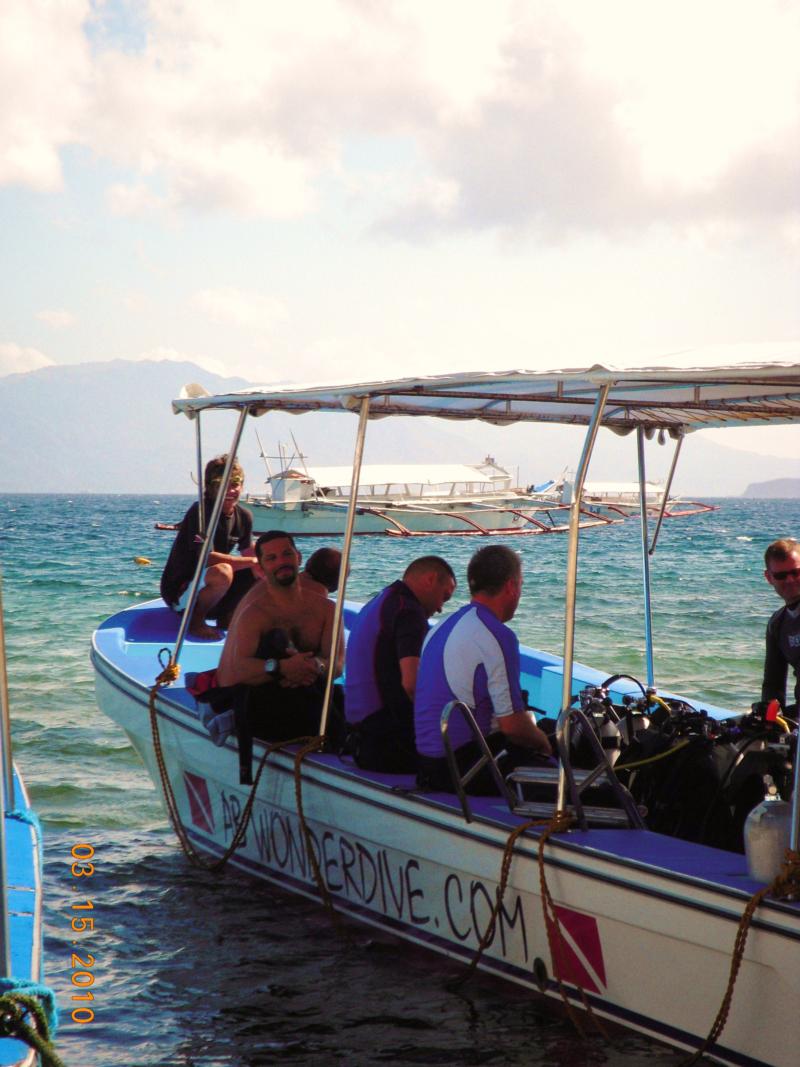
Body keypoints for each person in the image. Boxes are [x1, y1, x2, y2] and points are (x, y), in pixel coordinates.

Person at [414, 544, 552, 794]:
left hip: (427, 765)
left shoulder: (438, 629)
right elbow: (511, 726)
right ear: (511, 586)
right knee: (582, 785)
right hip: (465, 771)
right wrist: (544, 743)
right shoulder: (496, 635)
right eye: (521, 585)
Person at [217, 530, 344, 749]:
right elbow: (237, 670)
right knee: (277, 642)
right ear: (261, 567)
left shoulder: (327, 610)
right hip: (264, 704)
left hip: (310, 694)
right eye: (271, 558)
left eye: (287, 554)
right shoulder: (255, 613)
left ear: (299, 558)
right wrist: (282, 667)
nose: (281, 562)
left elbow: (337, 665)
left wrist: (314, 665)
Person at [344, 556, 457, 773]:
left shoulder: (381, 600)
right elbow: (412, 684)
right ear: (430, 579)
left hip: (360, 735)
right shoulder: (409, 611)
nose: (441, 608)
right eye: (444, 597)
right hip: (386, 741)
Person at [160, 455, 258, 639]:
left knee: (262, 567)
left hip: (211, 589)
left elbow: (248, 553)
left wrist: (268, 560)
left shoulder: (244, 516)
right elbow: (207, 558)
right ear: (211, 487)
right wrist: (252, 560)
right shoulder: (200, 513)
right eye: (222, 485)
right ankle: (195, 622)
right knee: (223, 571)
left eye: (235, 483)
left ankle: (227, 616)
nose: (230, 490)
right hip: (181, 591)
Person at [762, 538, 800, 712]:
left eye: (796, 572)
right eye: (781, 575)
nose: (790, 580)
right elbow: (773, 684)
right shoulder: (777, 624)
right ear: (769, 578)